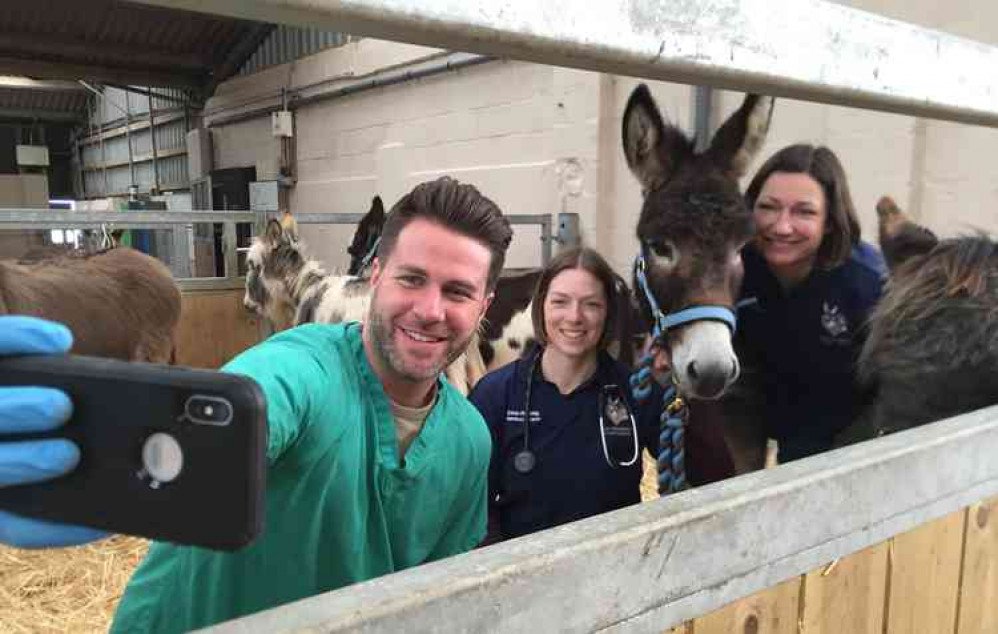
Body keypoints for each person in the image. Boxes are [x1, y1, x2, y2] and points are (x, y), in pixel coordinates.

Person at [0, 176, 513, 633]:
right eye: (411, 278)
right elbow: (246, 409)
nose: (430, 310)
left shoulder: (468, 440)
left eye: (457, 292)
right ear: (374, 275)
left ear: (484, 306)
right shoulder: (303, 371)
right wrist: (112, 455)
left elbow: (437, 595)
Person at [469, 247, 713, 544]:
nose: (574, 317)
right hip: (520, 574)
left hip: (615, 569)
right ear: (541, 307)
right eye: (560, 302)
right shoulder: (496, 395)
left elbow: (706, 471)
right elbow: (473, 507)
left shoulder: (636, 391)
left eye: (591, 304)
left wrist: (686, 380)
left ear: (608, 312)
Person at [736, 144, 886, 463]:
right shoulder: (733, 266)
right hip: (752, 412)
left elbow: (895, 388)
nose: (781, 226)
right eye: (768, 207)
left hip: (842, 433)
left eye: (804, 211)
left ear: (830, 220)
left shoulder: (868, 283)